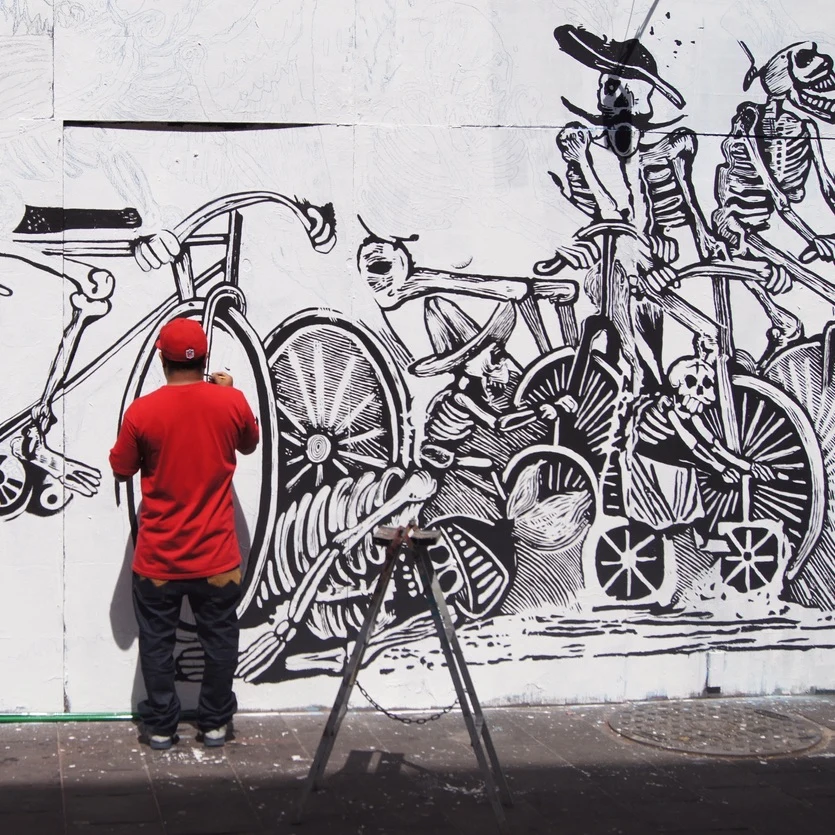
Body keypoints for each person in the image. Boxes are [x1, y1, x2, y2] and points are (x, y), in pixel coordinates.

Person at [109, 317, 259, 750]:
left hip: (160, 559)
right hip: (217, 558)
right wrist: (227, 392)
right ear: (205, 359)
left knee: (157, 643)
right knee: (220, 640)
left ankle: (160, 727)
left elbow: (121, 468)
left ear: (162, 358)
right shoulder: (230, 403)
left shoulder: (142, 411)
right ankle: (213, 723)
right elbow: (250, 443)